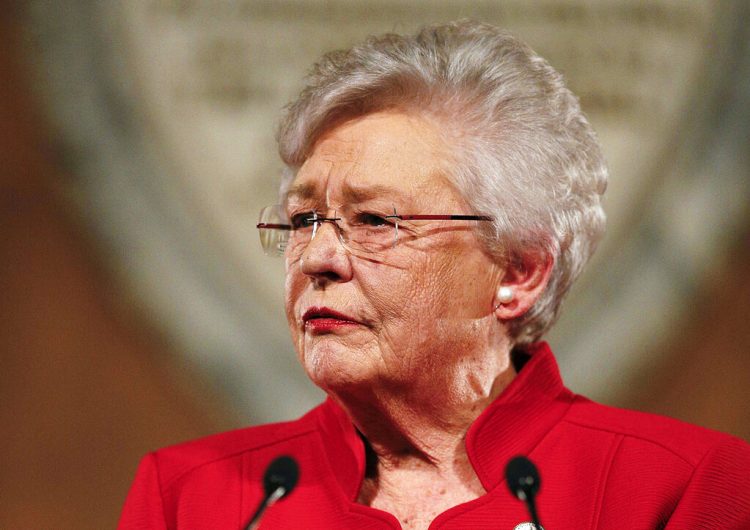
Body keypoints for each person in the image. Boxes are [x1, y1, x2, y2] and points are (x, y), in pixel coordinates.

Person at [118, 20, 750, 529]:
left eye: (374, 221)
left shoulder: (682, 487)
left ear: (520, 270)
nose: (317, 258)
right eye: (304, 218)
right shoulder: (192, 498)